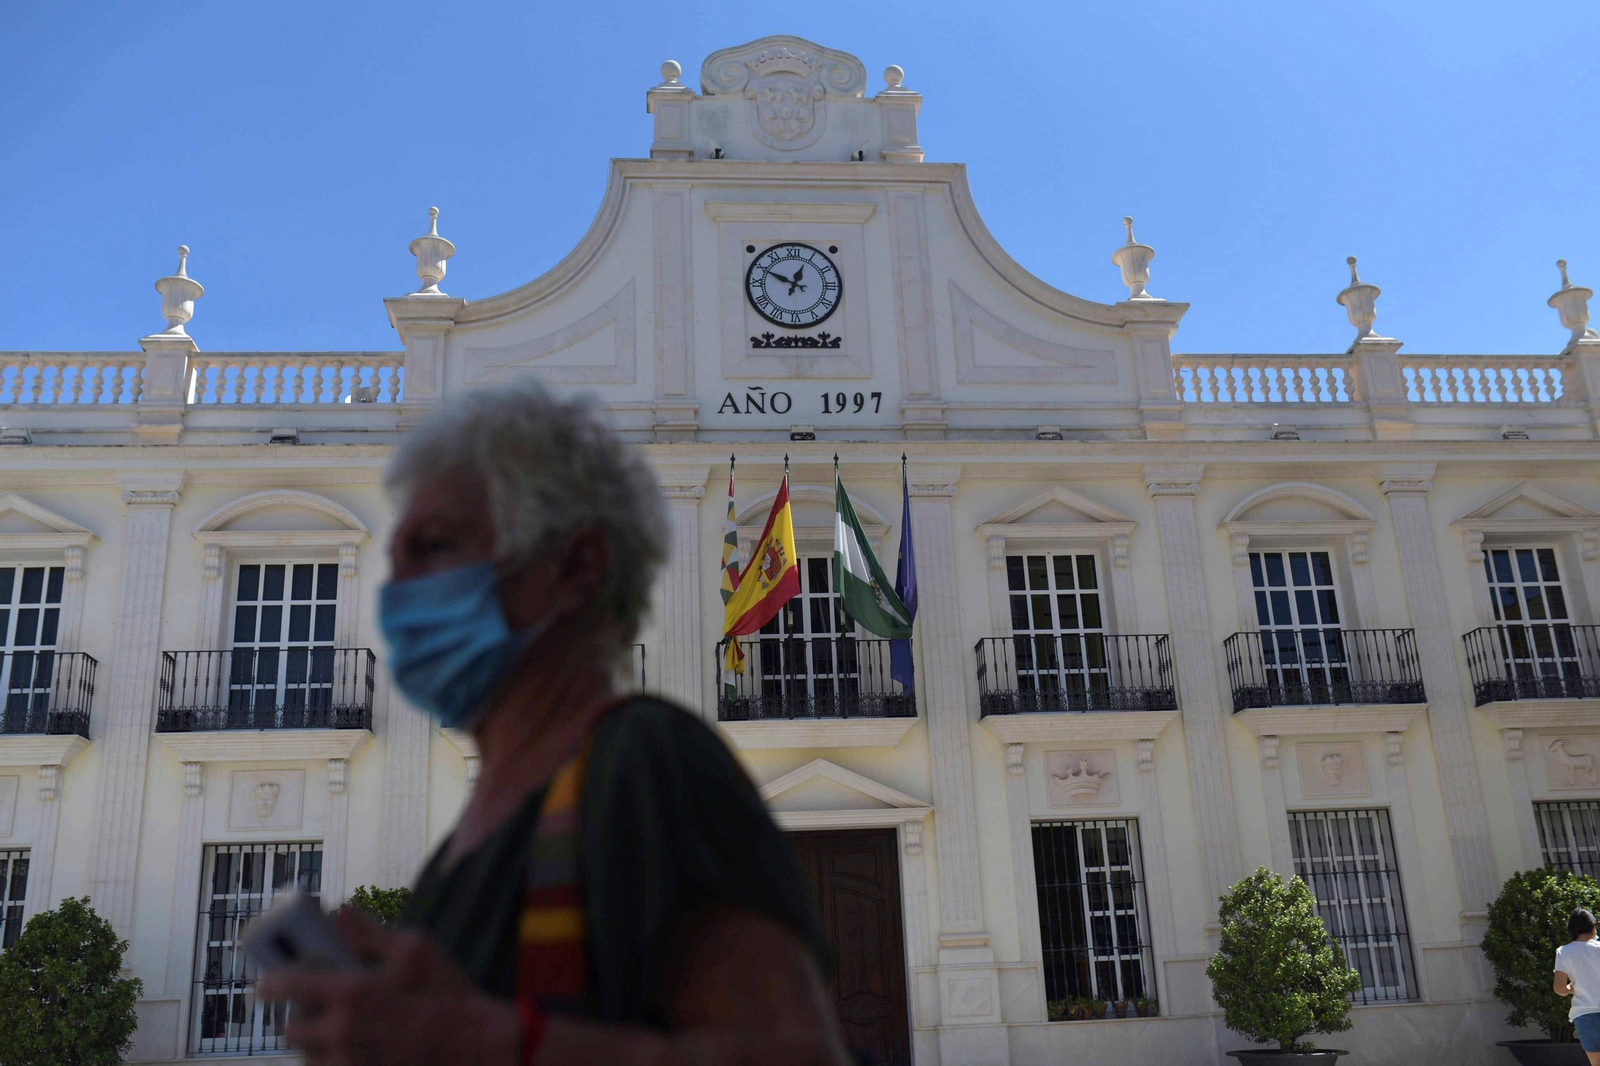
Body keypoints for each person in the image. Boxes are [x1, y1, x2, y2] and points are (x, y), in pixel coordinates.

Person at [259, 382, 852, 1066]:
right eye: (397, 558)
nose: (398, 590)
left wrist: (478, 1041)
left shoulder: (646, 760)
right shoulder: (462, 847)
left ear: (574, 567)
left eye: (436, 546)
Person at [1555, 907, 1600, 1065]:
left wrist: (1570, 988)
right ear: (1593, 926)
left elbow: (1559, 989)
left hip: (1585, 1017)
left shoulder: (1563, 952)